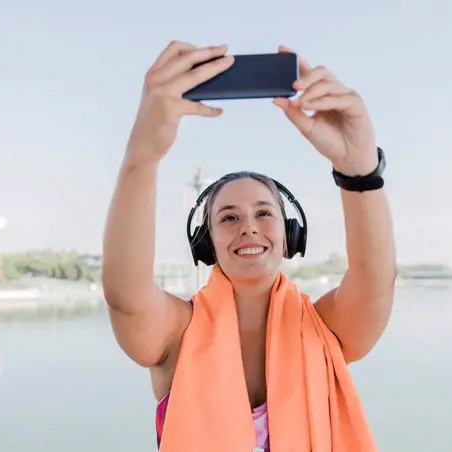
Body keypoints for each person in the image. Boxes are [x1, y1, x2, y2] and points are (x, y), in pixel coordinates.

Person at [102, 41, 397, 452]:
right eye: (228, 217)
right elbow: (125, 296)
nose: (248, 228)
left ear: (289, 233)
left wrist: (359, 171)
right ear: (206, 241)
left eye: (263, 213)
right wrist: (142, 156)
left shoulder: (328, 328)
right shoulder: (176, 333)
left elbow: (377, 282)